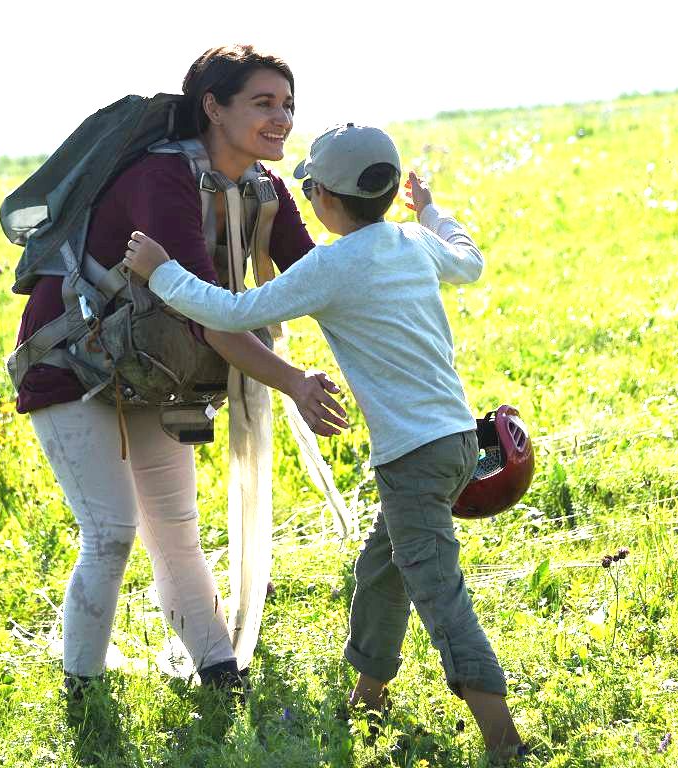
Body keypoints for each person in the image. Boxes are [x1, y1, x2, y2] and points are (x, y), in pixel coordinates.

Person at [122, 124, 527, 761]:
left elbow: (230, 313)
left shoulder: (330, 266)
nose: (306, 197)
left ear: (326, 201)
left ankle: (505, 742)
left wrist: (163, 273)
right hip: (454, 441)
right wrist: (430, 209)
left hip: (413, 460)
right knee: (381, 571)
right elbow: (469, 260)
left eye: (307, 188)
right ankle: (368, 701)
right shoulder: (415, 242)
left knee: (438, 594)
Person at [13, 45, 347, 694]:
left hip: (152, 368)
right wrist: (294, 382)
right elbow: (202, 313)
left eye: (288, 104)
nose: (281, 117)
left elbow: (318, 279)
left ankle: (221, 676)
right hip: (72, 365)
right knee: (111, 531)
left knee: (175, 530)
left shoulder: (264, 189)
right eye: (262, 102)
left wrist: (393, 259)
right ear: (213, 108)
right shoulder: (161, 180)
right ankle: (82, 696)